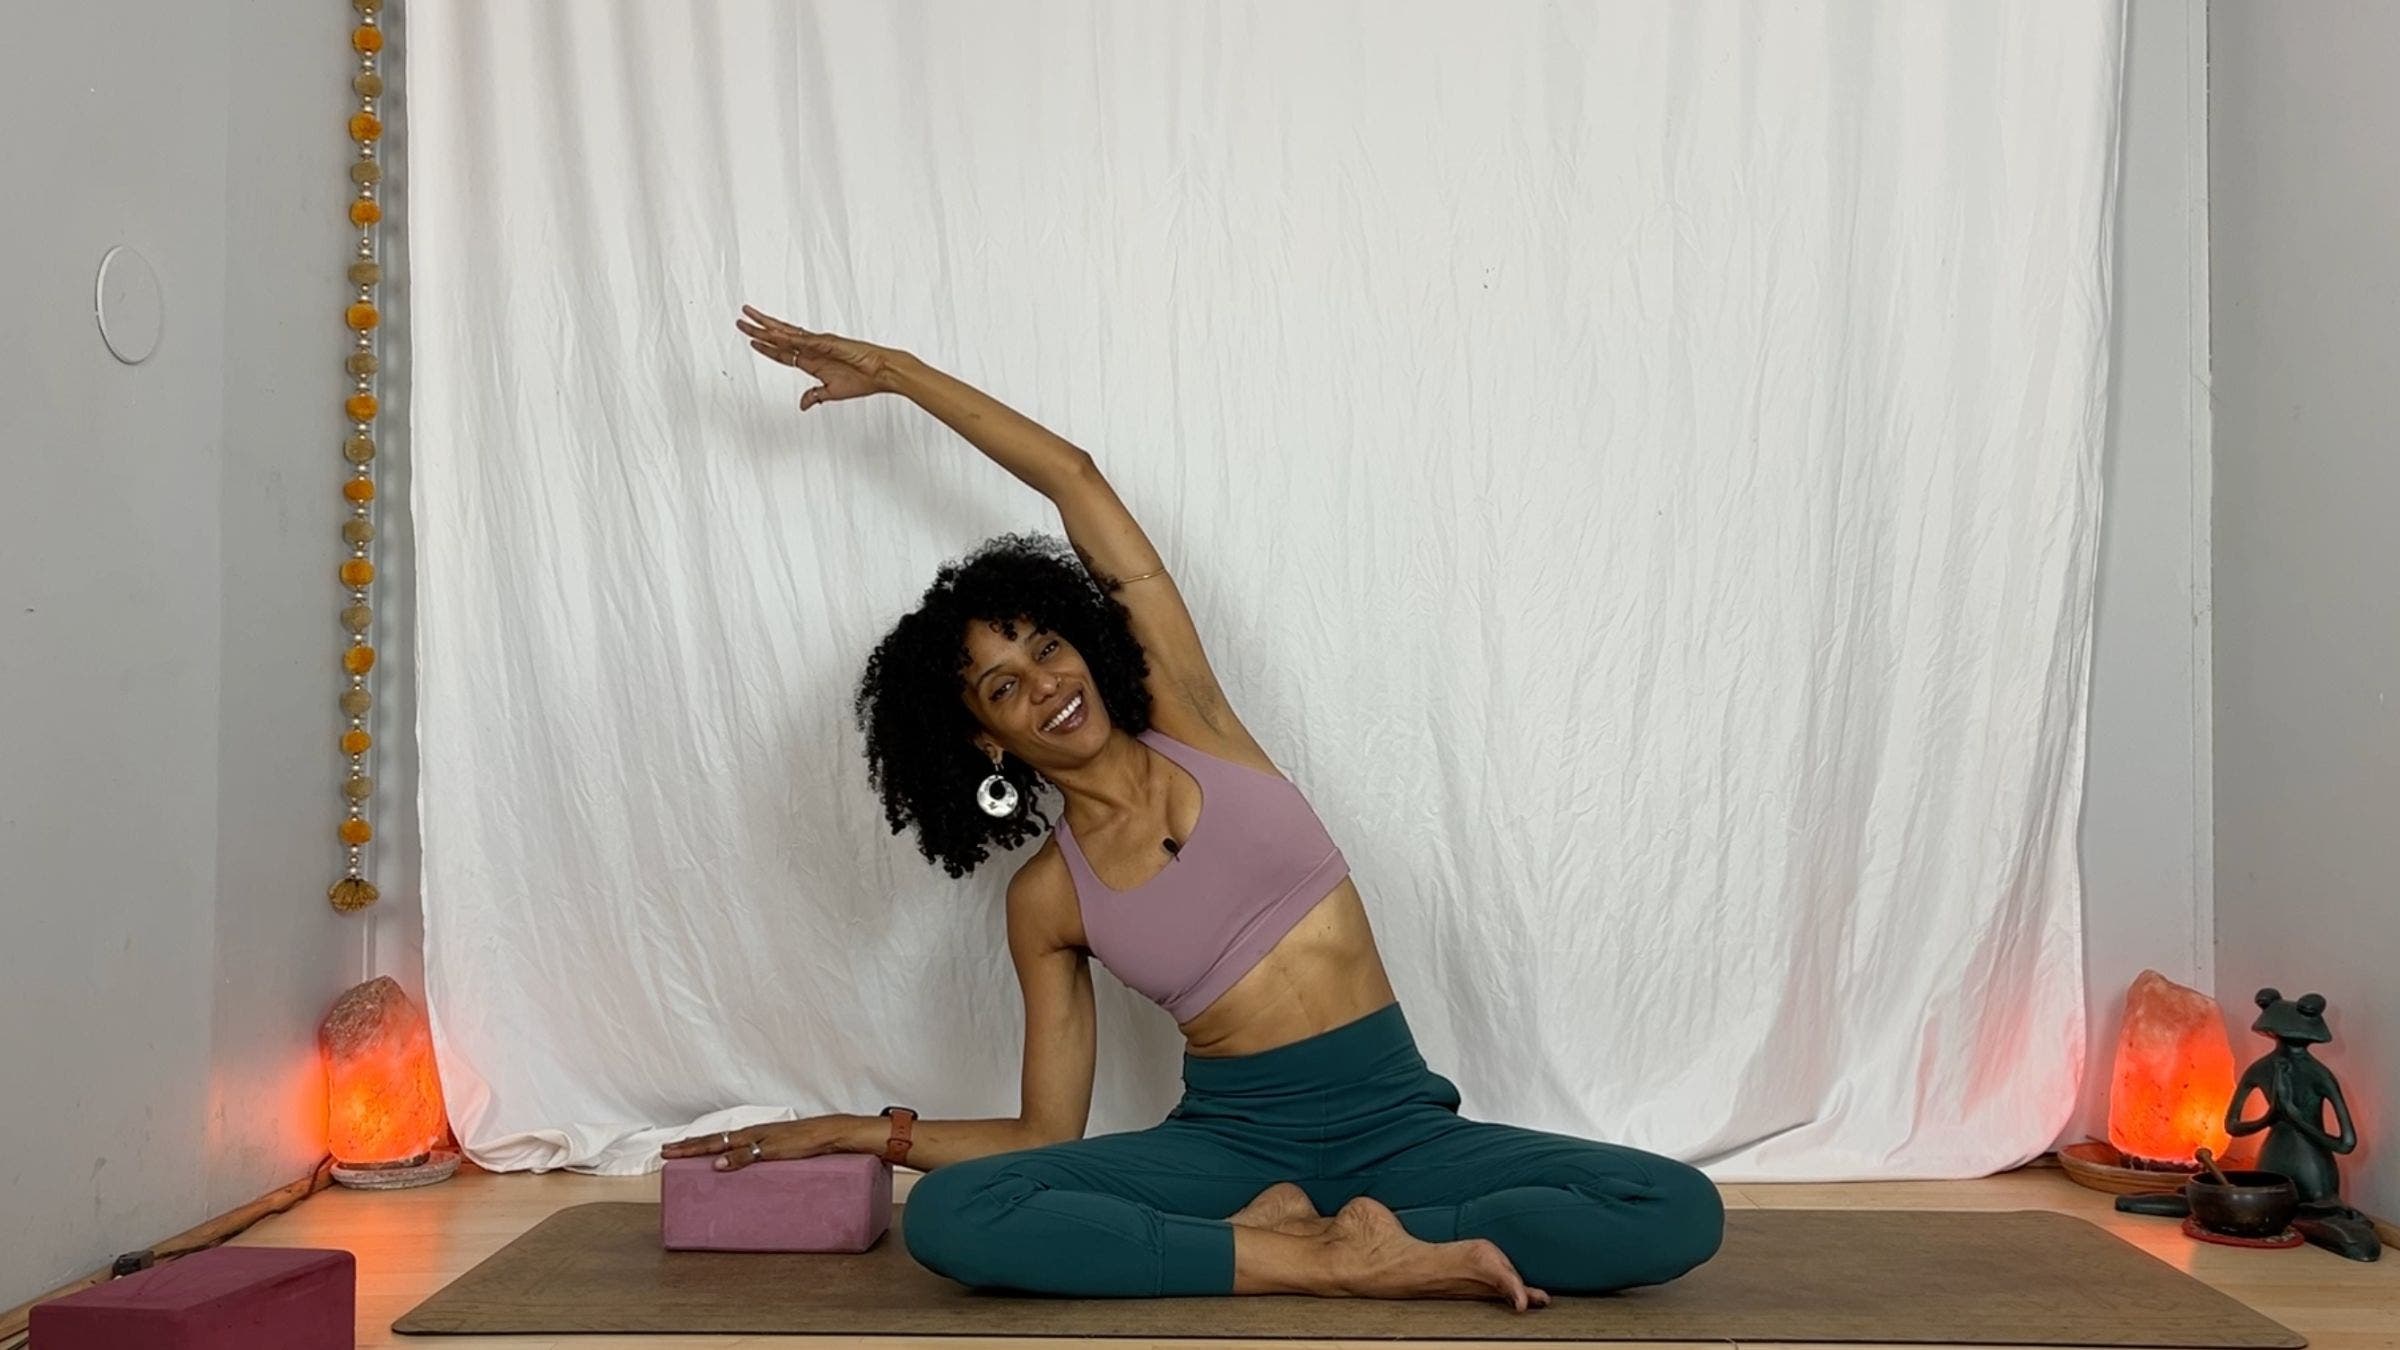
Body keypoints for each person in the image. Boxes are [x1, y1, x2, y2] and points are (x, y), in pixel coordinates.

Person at [662, 306, 1724, 1309]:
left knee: (1673, 1210)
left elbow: (1074, 480)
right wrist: (858, 1132)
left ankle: (1336, 1235)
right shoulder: (1048, 897)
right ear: (986, 737)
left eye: (1045, 646)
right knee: (958, 1218)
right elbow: (1044, 1133)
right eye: (1002, 686)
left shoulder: (1192, 716)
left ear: (1082, 639)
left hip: (1402, 1129)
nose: (1043, 684)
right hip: (1232, 1149)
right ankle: (1319, 1259)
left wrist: (895, 373)